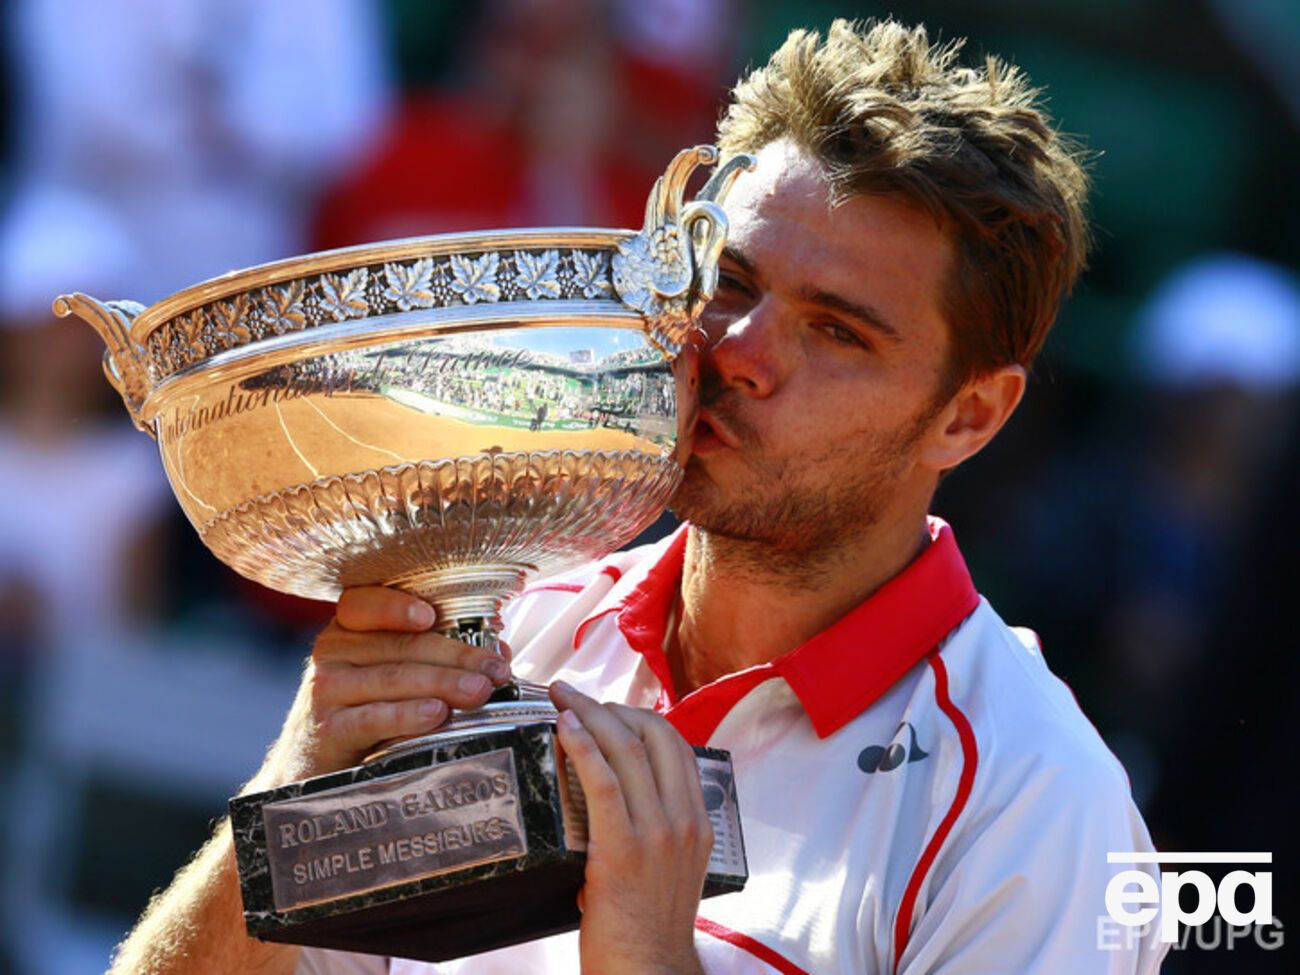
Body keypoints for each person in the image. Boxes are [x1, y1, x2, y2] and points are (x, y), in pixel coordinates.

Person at [107, 20, 1167, 975]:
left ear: (968, 416)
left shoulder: (1034, 802)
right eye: (733, 283)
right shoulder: (504, 630)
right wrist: (284, 805)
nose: (739, 352)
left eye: (838, 331)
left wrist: (653, 961)